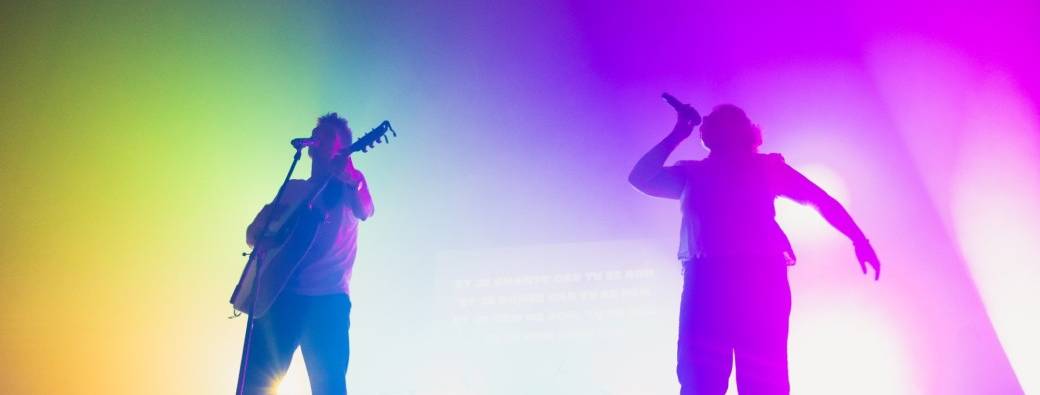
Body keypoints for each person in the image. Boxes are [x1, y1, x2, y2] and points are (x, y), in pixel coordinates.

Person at [628, 101, 879, 395]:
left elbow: (820, 200)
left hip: (750, 281)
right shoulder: (694, 175)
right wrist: (678, 133)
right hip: (716, 281)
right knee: (704, 384)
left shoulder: (763, 169)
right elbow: (640, 178)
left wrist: (859, 239)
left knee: (760, 384)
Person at [241, 113, 374, 395]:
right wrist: (267, 238)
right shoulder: (293, 188)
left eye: (328, 134)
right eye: (317, 132)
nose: (319, 137)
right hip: (282, 296)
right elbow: (254, 232)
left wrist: (350, 175)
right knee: (257, 384)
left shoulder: (350, 182)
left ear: (341, 148)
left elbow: (366, 209)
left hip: (328, 300)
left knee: (329, 387)